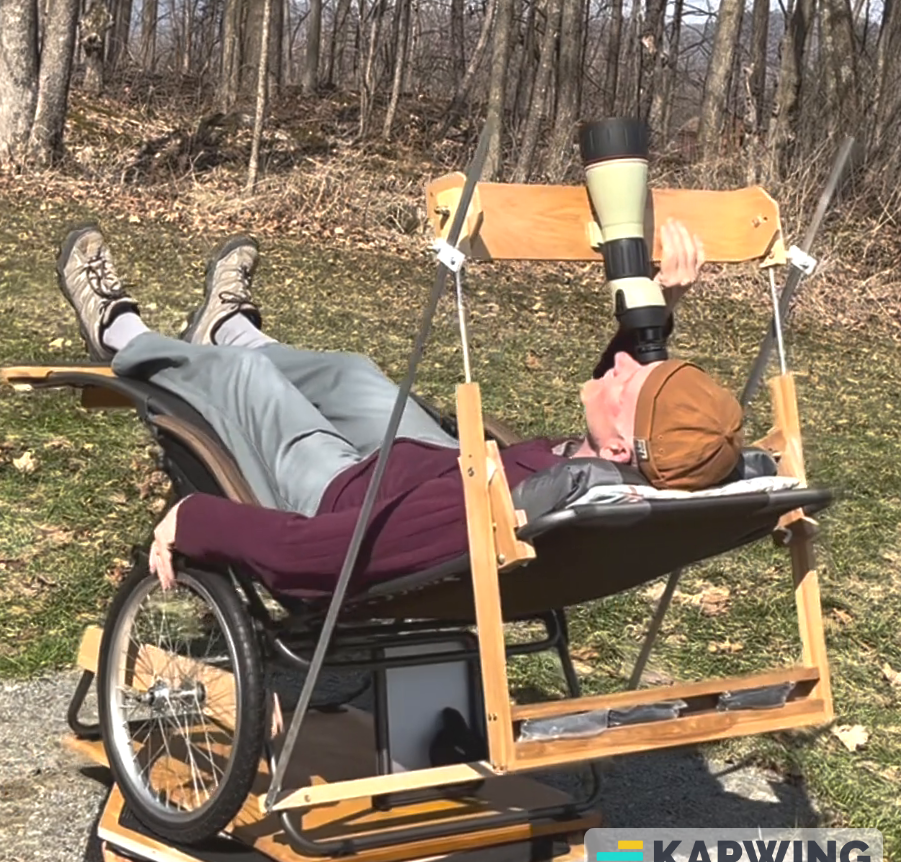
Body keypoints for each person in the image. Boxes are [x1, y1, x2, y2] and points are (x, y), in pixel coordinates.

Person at [54, 222, 743, 599]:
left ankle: (120, 332)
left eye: (631, 380)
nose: (621, 365)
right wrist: (658, 308)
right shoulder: (611, 477)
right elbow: (636, 412)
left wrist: (194, 517)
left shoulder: (492, 511)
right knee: (351, 372)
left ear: (620, 450)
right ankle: (228, 327)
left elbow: (312, 555)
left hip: (341, 493)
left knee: (242, 380)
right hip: (425, 466)